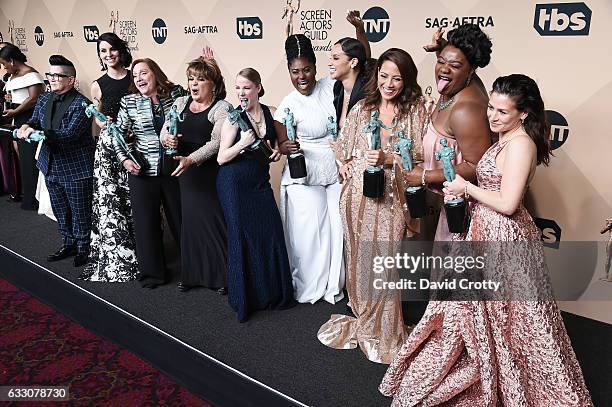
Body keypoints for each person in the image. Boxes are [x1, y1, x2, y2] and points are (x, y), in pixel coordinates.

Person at [380, 74, 593, 406]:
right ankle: (482, 369)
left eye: (502, 112)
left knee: (513, 322)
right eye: (490, 107)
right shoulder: (505, 138)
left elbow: (509, 203)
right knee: (470, 315)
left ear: (523, 113)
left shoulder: (522, 144)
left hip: (504, 239)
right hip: (483, 231)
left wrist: (468, 189)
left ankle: (506, 381)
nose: (492, 116)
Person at [317, 48, 428, 364]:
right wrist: (346, 163)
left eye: (396, 78)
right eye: (383, 76)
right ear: (375, 75)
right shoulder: (363, 108)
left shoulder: (415, 111)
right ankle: (365, 319)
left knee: (385, 260)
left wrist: (389, 157)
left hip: (391, 200)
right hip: (358, 199)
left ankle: (385, 328)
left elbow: (419, 159)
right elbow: (342, 147)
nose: (389, 84)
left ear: (406, 80)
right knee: (360, 259)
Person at [217, 67, 295, 322]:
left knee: (269, 234)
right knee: (242, 237)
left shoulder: (272, 113)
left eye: (246, 87)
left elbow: (276, 146)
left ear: (258, 88)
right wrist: (241, 144)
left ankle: (271, 294)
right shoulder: (232, 119)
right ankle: (244, 299)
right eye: (237, 87)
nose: (241, 93)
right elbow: (221, 157)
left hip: (259, 183)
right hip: (234, 184)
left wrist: (276, 152)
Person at [403, 24, 493, 241]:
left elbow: (477, 165)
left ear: (470, 70)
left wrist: (424, 176)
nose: (444, 69)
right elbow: (454, 62)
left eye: (454, 65)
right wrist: (444, 49)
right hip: (441, 200)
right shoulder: (454, 85)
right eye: (441, 61)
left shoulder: (466, 110)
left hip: (458, 209)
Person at [274, 34, 344, 304]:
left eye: (306, 70)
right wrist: (286, 147)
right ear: (289, 72)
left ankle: (334, 285)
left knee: (337, 228)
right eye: (295, 71)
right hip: (304, 171)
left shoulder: (332, 86)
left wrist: (360, 30)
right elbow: (281, 144)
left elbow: (362, 64)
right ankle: (310, 285)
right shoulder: (287, 104)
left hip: (336, 166)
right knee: (311, 231)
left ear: (316, 67)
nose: (301, 76)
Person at [113, 58, 186, 288]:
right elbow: (119, 137)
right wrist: (125, 160)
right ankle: (154, 274)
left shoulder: (175, 96)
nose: (139, 79)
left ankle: (194, 269)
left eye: (144, 73)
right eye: (135, 76)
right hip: (142, 170)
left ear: (155, 74)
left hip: (173, 168)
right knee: (146, 224)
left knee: (183, 220)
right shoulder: (129, 102)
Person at [160, 57, 230, 294]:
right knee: (189, 223)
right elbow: (165, 129)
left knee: (213, 223)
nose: (194, 84)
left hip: (207, 173)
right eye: (191, 79)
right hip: (184, 172)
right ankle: (192, 275)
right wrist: (166, 138)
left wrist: (192, 159)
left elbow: (217, 142)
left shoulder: (222, 108)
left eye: (201, 79)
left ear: (214, 83)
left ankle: (222, 277)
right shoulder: (179, 102)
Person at [17, 55, 94, 267]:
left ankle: (83, 247)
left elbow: (70, 135)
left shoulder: (82, 105)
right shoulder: (43, 99)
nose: (52, 79)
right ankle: (67, 242)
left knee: (80, 211)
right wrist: (26, 127)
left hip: (76, 168)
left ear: (71, 80)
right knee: (60, 209)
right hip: (49, 164)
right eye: (50, 74)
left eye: (58, 76)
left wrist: (42, 134)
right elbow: (34, 121)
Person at [80, 32, 137, 282]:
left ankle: (141, 249)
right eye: (103, 51)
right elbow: (97, 117)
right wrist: (104, 122)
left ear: (120, 50)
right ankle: (119, 253)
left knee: (134, 200)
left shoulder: (135, 77)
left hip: (136, 144)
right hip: (109, 147)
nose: (108, 55)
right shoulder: (97, 84)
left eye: (112, 49)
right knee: (112, 200)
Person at [0, 43, 45, 209]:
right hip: (18, 117)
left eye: (4, 64)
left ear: (11, 61)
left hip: (30, 119)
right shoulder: (14, 75)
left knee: (31, 160)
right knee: (25, 161)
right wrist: (11, 103)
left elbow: (34, 99)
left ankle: (36, 200)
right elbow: (20, 96)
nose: (3, 67)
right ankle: (30, 197)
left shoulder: (32, 75)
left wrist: (15, 111)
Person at [329, 11, 373, 132]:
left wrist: (360, 29)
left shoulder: (367, 94)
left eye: (336, 58)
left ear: (353, 62)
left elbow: (366, 59)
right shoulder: (338, 88)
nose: (330, 63)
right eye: (330, 58)